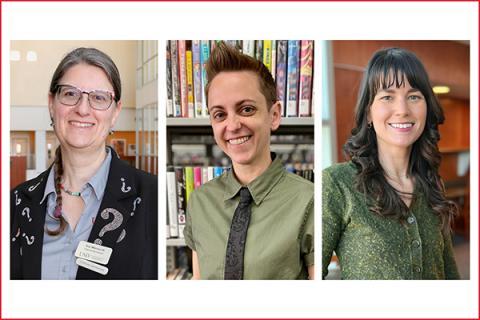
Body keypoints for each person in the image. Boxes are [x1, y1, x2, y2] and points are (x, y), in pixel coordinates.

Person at [11, 47, 158, 280]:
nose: (82, 109)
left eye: (99, 98)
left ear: (116, 112)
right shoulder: (16, 204)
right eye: (70, 94)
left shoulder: (153, 197)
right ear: (52, 103)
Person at [322, 47, 460, 280]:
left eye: (414, 96)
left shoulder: (432, 183)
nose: (402, 110)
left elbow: (449, 273)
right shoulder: (337, 183)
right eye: (387, 97)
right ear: (368, 113)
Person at [183, 42, 314, 280]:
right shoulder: (200, 201)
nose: (232, 126)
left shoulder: (310, 201)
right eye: (220, 114)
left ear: (274, 115)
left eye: (246, 110)